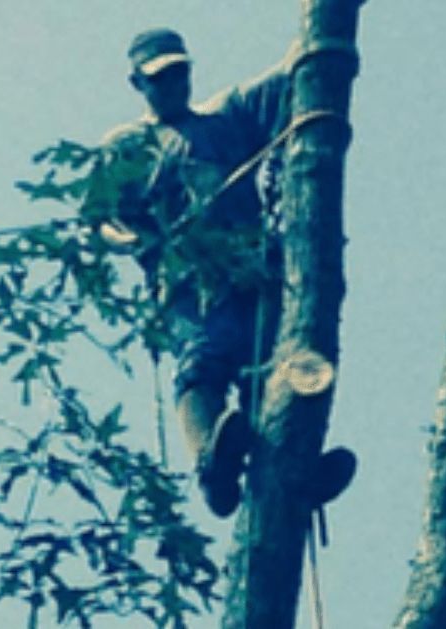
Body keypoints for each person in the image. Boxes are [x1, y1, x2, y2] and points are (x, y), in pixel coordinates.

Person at [92, 28, 355, 517]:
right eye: (159, 78)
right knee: (205, 357)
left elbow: (291, 72)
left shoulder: (226, 120)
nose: (172, 84)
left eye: (178, 73)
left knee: (279, 364)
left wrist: (329, 23)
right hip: (189, 277)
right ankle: (213, 462)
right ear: (137, 84)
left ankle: (293, 465)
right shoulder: (130, 146)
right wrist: (136, 239)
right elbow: (102, 216)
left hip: (251, 270)